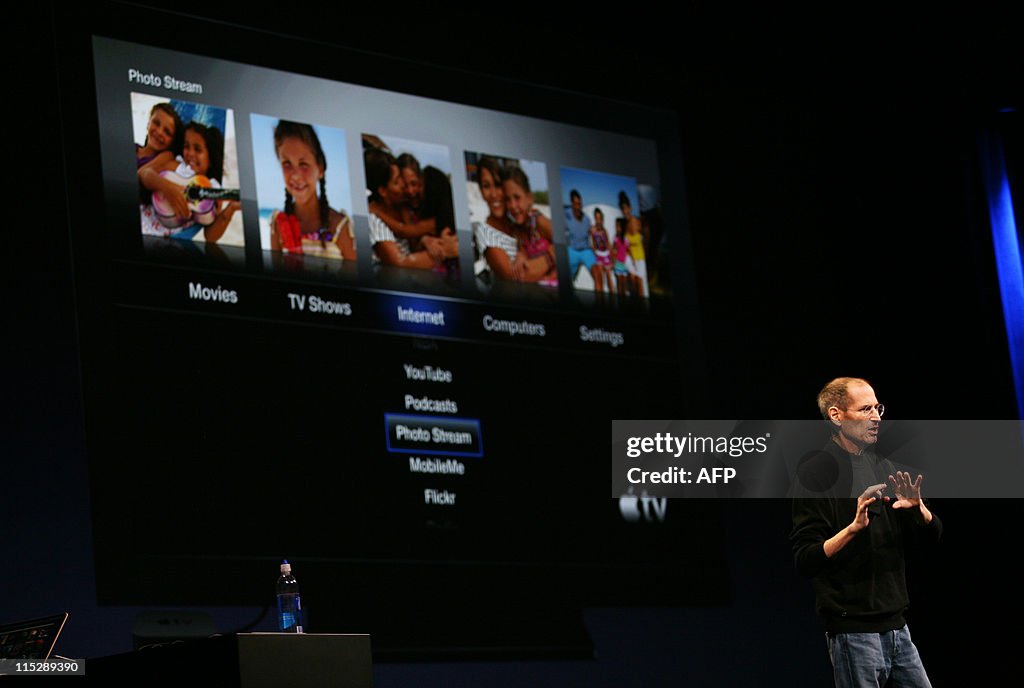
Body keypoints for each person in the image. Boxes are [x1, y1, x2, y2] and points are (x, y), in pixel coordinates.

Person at [791, 377, 941, 688]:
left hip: (898, 627)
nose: (876, 417)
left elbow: (934, 536)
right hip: (854, 632)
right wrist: (853, 528)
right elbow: (805, 559)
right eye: (865, 409)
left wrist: (920, 511)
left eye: (878, 408)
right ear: (836, 417)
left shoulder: (888, 468)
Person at [137, 121, 240, 242]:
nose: (190, 153)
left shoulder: (212, 188)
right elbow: (145, 174)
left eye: (197, 149)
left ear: (210, 158)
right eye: (186, 146)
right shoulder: (177, 165)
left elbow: (210, 236)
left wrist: (231, 209)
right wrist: (168, 188)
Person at [269, 121, 355, 260]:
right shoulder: (278, 225)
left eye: (303, 164)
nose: (296, 175)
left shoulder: (339, 227)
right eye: (287, 164)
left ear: (320, 169)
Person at [470, 156, 553, 283]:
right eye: (486, 186)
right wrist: (551, 256)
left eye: (498, 185)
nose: (493, 194)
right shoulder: (485, 234)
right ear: (480, 191)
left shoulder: (519, 221)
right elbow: (515, 277)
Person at [365, 147, 445, 269]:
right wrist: (445, 251)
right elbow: (400, 264)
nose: (405, 187)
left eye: (413, 183)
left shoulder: (403, 207)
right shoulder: (374, 221)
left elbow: (407, 233)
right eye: (397, 181)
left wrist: (424, 239)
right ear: (383, 191)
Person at [504, 165, 557, 286]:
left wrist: (551, 255)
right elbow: (524, 251)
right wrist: (521, 256)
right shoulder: (518, 230)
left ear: (529, 198)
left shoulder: (538, 221)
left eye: (517, 198)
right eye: (508, 200)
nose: (512, 205)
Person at [620, 190, 647, 297]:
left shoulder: (637, 221)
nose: (625, 211)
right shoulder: (623, 224)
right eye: (623, 209)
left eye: (626, 208)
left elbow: (646, 235)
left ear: (630, 208)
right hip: (630, 257)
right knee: (632, 282)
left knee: (639, 284)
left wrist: (646, 251)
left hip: (640, 257)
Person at [564, 189, 595, 284]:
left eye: (580, 204)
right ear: (572, 204)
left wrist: (592, 233)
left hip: (586, 250)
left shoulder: (587, 219)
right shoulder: (566, 215)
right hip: (572, 250)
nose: (578, 206)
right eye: (576, 204)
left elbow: (591, 235)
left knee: (597, 272)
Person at [589, 208, 614, 293]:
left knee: (609, 277)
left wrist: (612, 259)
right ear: (595, 218)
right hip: (599, 255)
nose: (598, 220)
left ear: (602, 219)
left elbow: (608, 244)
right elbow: (593, 244)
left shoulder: (604, 230)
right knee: (600, 278)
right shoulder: (593, 230)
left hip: (606, 254)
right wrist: (595, 252)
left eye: (600, 218)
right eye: (596, 218)